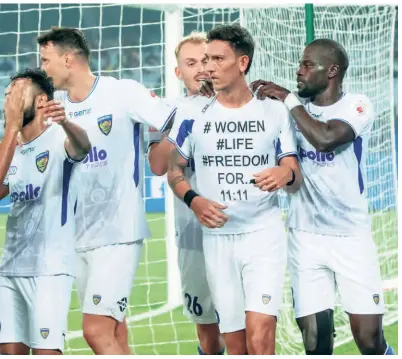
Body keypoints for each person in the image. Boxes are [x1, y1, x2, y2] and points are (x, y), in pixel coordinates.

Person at [250, 38, 395, 355]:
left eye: (306, 65)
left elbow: (326, 139)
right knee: (316, 342)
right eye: (300, 64)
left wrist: (289, 100)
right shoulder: (287, 112)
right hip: (305, 238)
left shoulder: (357, 105)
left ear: (332, 71)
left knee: (369, 341)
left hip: (351, 238)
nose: (298, 71)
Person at [37, 27, 176, 355]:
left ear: (68, 58)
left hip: (118, 233)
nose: (43, 68)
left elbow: (172, 118)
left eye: (46, 60)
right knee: (115, 331)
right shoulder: (55, 108)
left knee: (94, 330)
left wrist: (159, 150)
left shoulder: (121, 92)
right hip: (77, 236)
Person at [167, 24, 302, 355]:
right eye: (205, 59)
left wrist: (283, 173)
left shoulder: (273, 111)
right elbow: (173, 170)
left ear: (242, 63)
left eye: (217, 58)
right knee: (236, 345)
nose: (208, 67)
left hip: (263, 236)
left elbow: (295, 176)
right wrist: (194, 200)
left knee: (261, 336)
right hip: (218, 240)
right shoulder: (191, 113)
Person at [0, 68, 91, 355]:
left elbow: (83, 146)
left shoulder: (58, 140)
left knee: (46, 352)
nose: (9, 102)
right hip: (9, 271)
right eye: (7, 96)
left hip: (49, 272)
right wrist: (11, 130)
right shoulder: (10, 148)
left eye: (16, 94)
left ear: (41, 101)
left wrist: (66, 123)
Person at [148, 32, 224, 355]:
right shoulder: (165, 110)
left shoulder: (236, 103)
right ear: (178, 72)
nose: (200, 69)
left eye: (205, 61)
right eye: (190, 63)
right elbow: (157, 164)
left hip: (237, 228)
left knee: (247, 327)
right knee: (208, 330)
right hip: (193, 235)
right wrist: (186, 115)